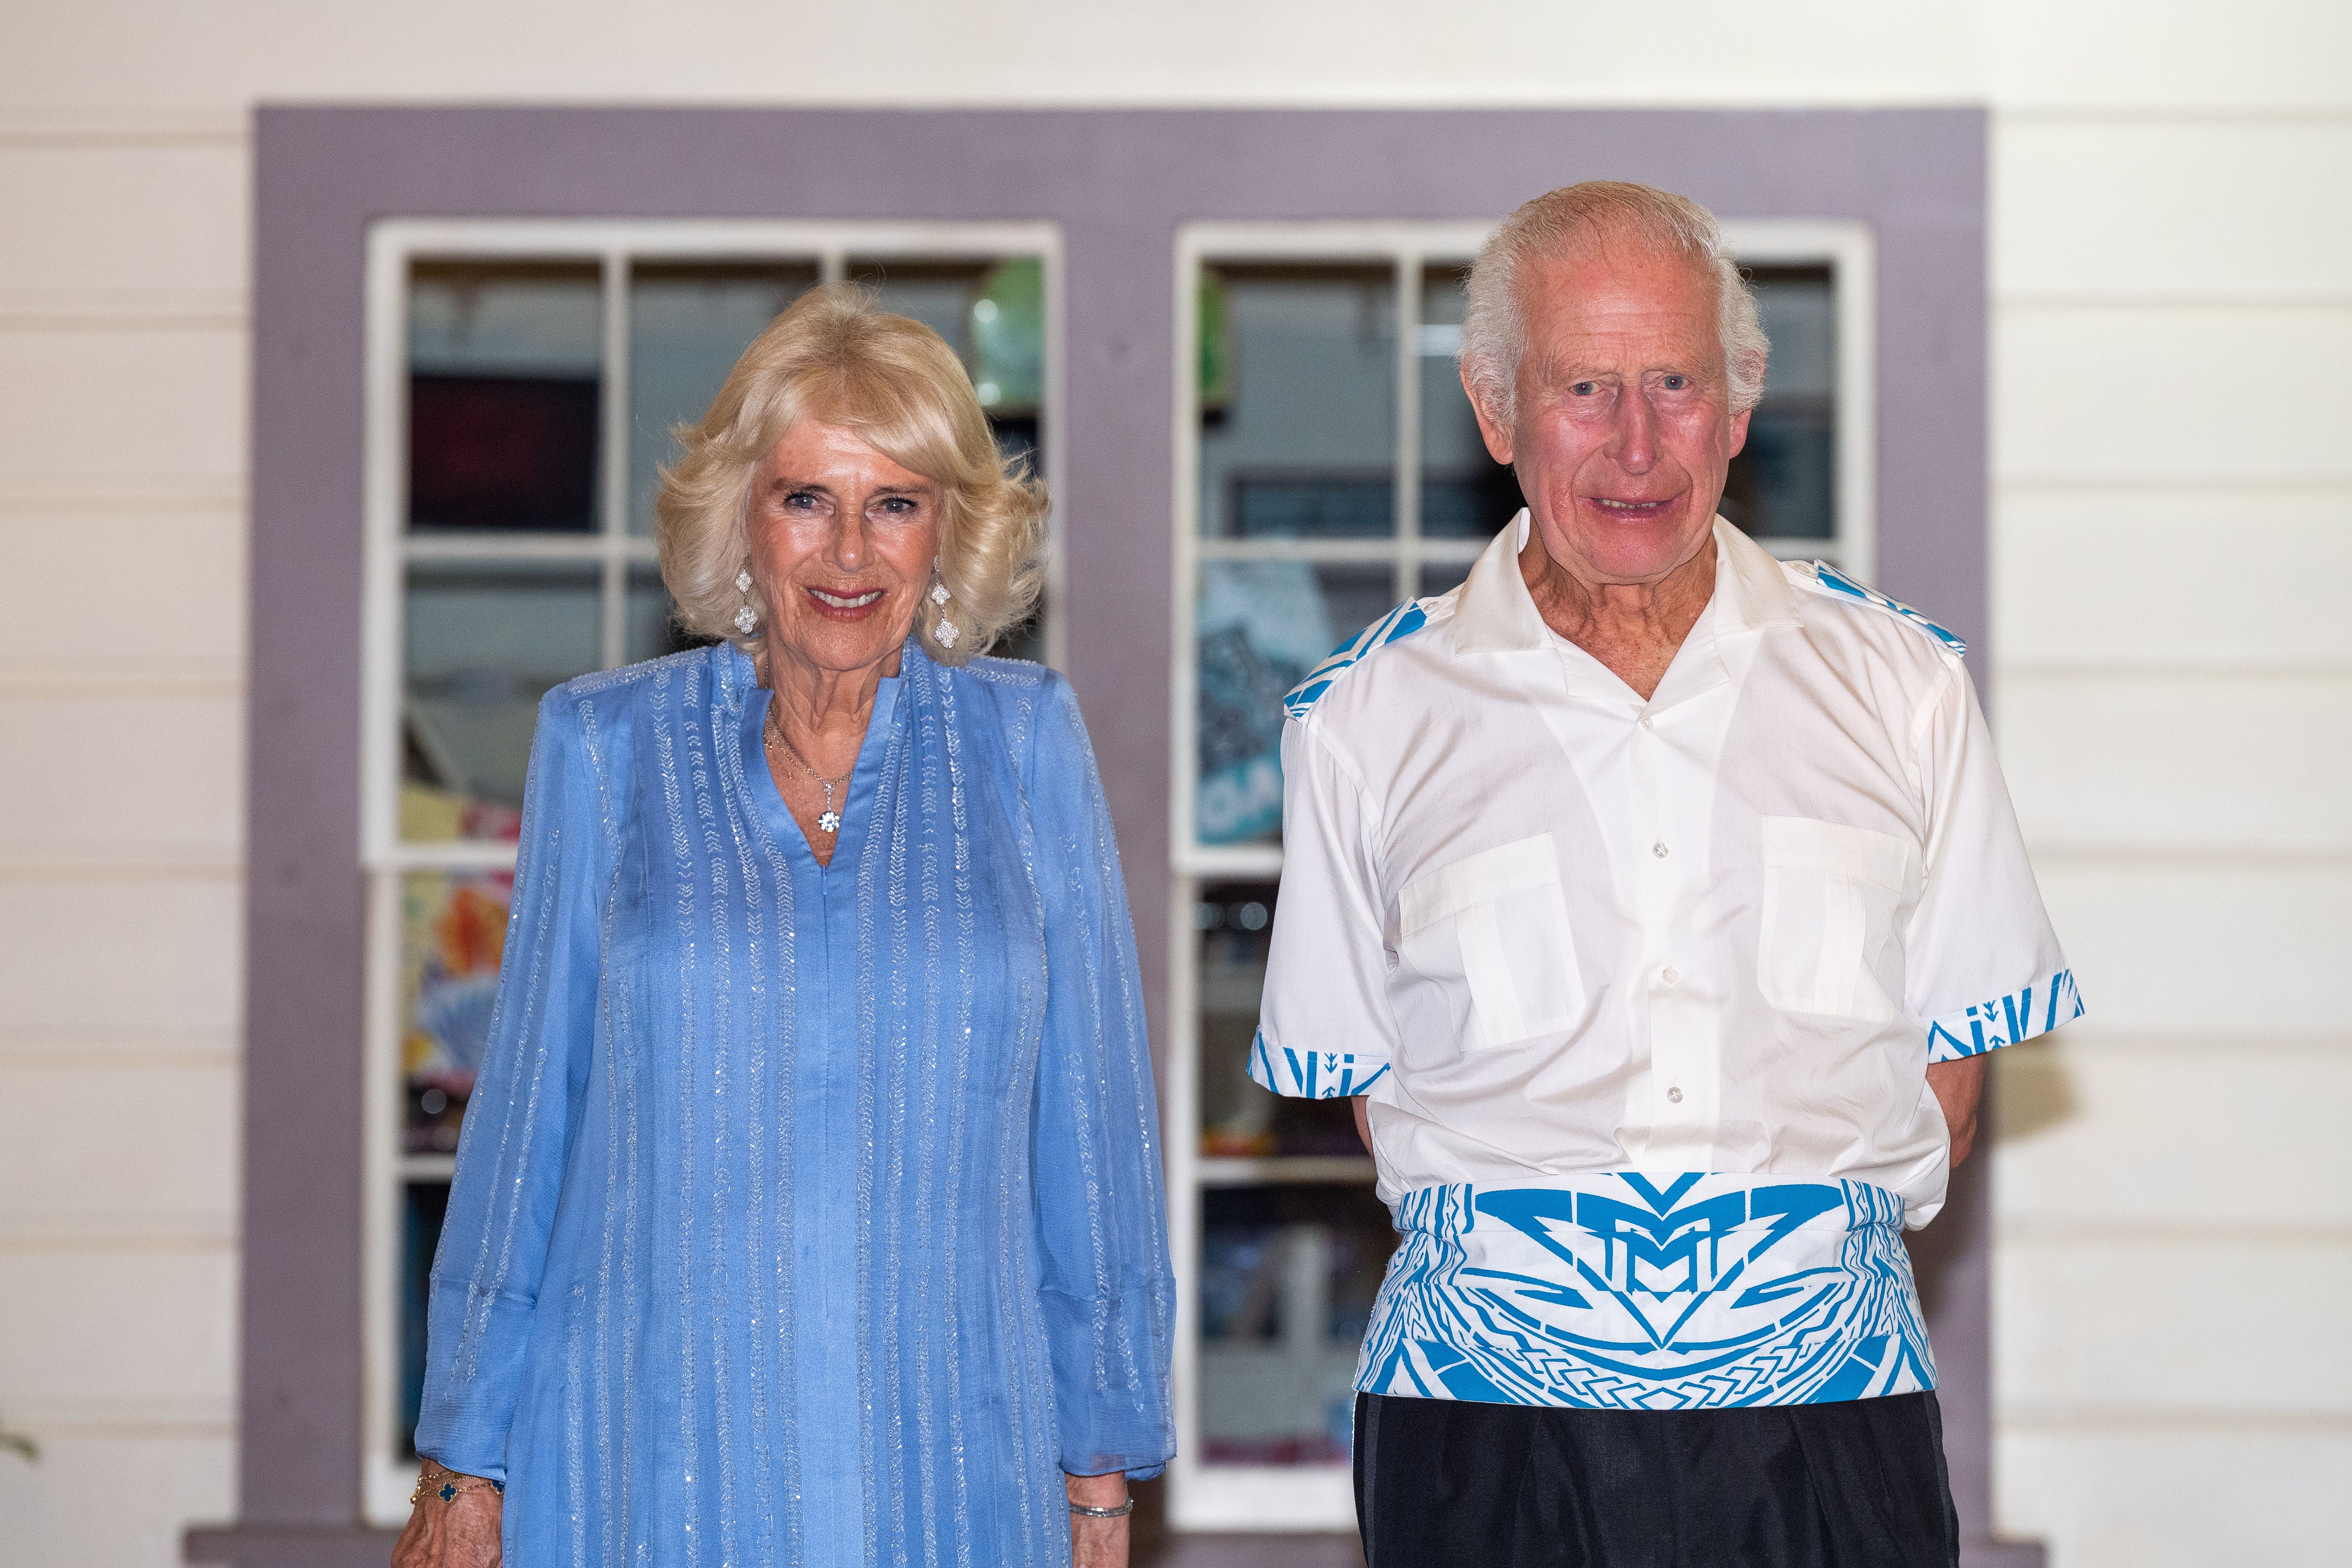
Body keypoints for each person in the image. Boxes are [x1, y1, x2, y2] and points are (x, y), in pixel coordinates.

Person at [1252, 182, 2082, 1566]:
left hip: (1833, 1422)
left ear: (1741, 408)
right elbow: (1365, 1089)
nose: (1637, 443)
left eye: (1677, 384)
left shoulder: (1903, 684)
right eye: (1584, 386)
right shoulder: (1362, 719)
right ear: (1496, 410)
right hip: (1485, 1437)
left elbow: (1953, 1065)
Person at [392, 285, 1175, 1568]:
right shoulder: (604, 747)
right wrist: (459, 1466)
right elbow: (525, 1121)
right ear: (741, 520)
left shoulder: (1026, 743)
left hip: (953, 1467)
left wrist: (1098, 1481)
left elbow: (1090, 1137)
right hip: (642, 1457)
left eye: (896, 503)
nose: (851, 552)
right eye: (807, 498)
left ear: (948, 534)